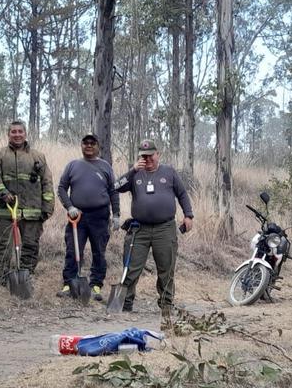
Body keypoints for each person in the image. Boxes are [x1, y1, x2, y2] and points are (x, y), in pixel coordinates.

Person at [114, 139, 193, 329]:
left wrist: (188, 215)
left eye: (150, 155)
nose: (147, 159)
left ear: (158, 155)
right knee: (131, 267)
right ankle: (124, 304)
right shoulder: (135, 174)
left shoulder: (169, 172)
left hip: (164, 228)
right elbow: (116, 186)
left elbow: (182, 194)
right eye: (143, 156)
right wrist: (133, 170)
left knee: (166, 268)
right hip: (138, 229)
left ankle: (166, 305)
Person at [56, 133, 120, 301]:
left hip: (100, 216)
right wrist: (70, 207)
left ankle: (96, 285)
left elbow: (113, 191)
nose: (89, 146)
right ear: (81, 146)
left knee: (99, 251)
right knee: (73, 250)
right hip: (77, 217)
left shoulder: (105, 166)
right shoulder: (73, 165)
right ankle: (69, 284)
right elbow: (62, 188)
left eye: (92, 143)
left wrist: (116, 215)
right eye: (85, 143)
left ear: (98, 146)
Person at [0, 120, 54, 278]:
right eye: (13, 132)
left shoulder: (38, 156)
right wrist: (3, 192)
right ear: (8, 134)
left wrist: (47, 208)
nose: (17, 135)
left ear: (25, 134)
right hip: (7, 210)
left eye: (20, 131)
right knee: (1, 244)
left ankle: (26, 276)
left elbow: (47, 183)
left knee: (30, 246)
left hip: (32, 211)